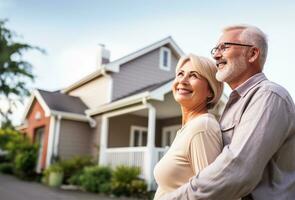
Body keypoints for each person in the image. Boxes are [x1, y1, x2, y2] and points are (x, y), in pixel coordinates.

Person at [159, 25, 295, 200]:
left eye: (225, 47)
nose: (216, 55)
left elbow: (237, 171)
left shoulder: (268, 96)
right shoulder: (235, 104)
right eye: (215, 49)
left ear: (252, 54)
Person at [153, 54, 224, 200]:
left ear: (210, 91)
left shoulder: (202, 127)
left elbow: (209, 194)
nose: (183, 81)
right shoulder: (188, 128)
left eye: (194, 75)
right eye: (180, 74)